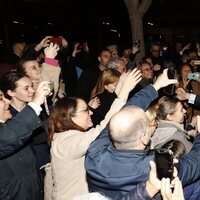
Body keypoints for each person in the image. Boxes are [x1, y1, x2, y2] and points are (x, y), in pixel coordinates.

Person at [85, 69, 200, 199]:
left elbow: (126, 111)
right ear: (144, 139)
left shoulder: (94, 154)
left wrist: (155, 86)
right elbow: (194, 164)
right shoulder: (154, 168)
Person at [45, 68, 142, 200]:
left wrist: (119, 89)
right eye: (86, 110)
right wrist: (123, 94)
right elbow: (104, 130)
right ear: (69, 117)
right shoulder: (66, 142)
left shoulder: (67, 137)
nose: (90, 112)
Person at [0, 81, 51, 199]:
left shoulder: (9, 125)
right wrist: (35, 103)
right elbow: (9, 137)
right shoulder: (11, 131)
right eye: (1, 98)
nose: (7, 101)